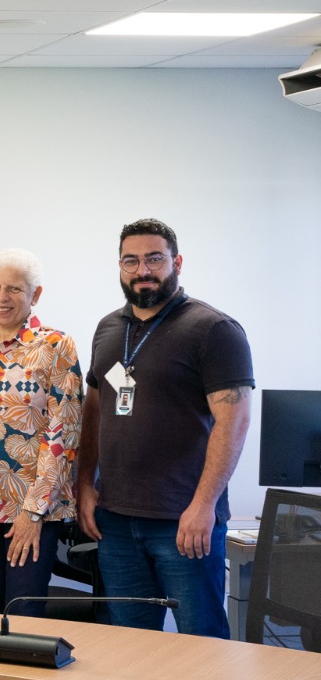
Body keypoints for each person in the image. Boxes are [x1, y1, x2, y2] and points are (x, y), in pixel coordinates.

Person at [76, 219, 253, 638]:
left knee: (201, 642)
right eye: (131, 260)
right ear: (119, 266)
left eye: (154, 259)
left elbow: (235, 419)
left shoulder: (213, 329)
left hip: (183, 519)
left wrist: (204, 505)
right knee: (129, 644)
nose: (142, 270)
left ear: (176, 261)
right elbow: (94, 411)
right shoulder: (108, 328)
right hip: (115, 520)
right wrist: (84, 485)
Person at [0, 249, 84, 617]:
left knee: (23, 612)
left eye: (14, 288)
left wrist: (34, 512)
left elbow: (65, 432)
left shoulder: (55, 346)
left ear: (35, 295)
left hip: (31, 507)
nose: (2, 297)